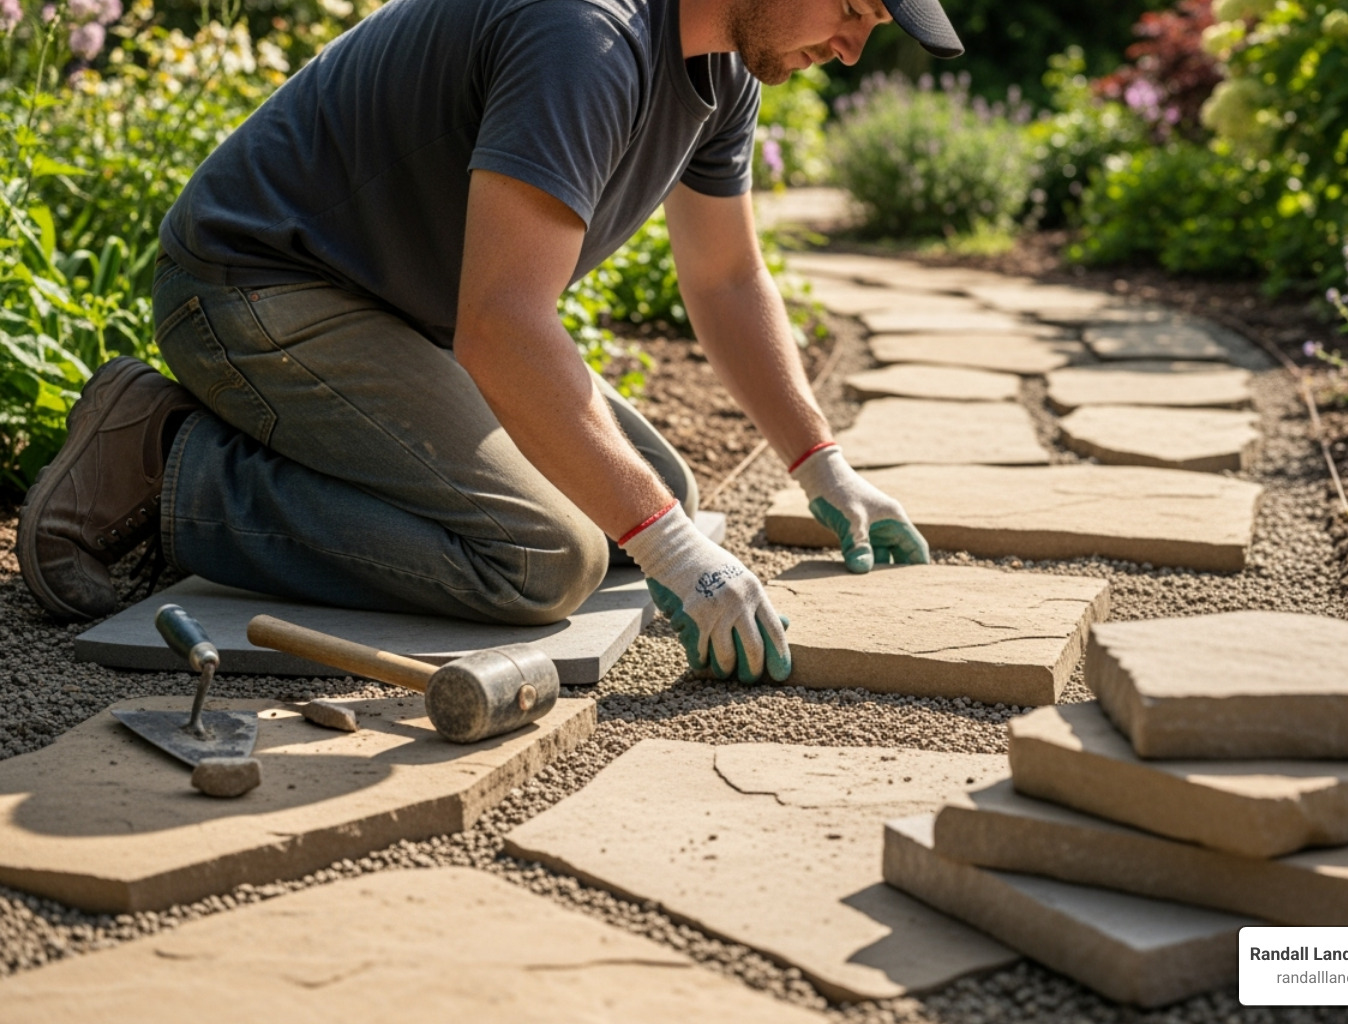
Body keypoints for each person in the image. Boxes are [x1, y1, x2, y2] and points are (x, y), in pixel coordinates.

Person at [17, 0, 962, 683]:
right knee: (544, 558)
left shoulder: (721, 71)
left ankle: (309, 442)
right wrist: (679, 554)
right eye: (850, 9)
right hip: (254, 288)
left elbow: (724, 277)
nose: (847, 49)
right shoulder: (586, 36)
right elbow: (504, 328)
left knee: (653, 501)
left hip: (391, 313)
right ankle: (170, 463)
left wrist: (818, 461)